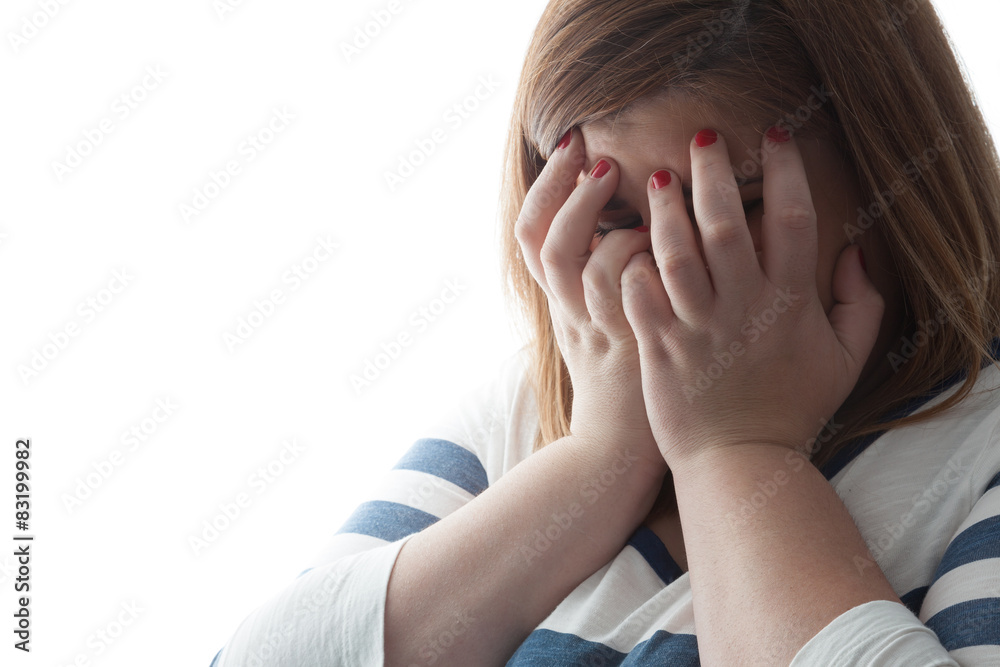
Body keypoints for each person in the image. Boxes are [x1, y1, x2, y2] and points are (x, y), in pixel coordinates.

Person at [208, 0, 1000, 664]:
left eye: (735, 205)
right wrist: (602, 457)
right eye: (618, 219)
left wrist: (738, 447)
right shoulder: (540, 403)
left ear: (888, 165)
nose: (677, 269)